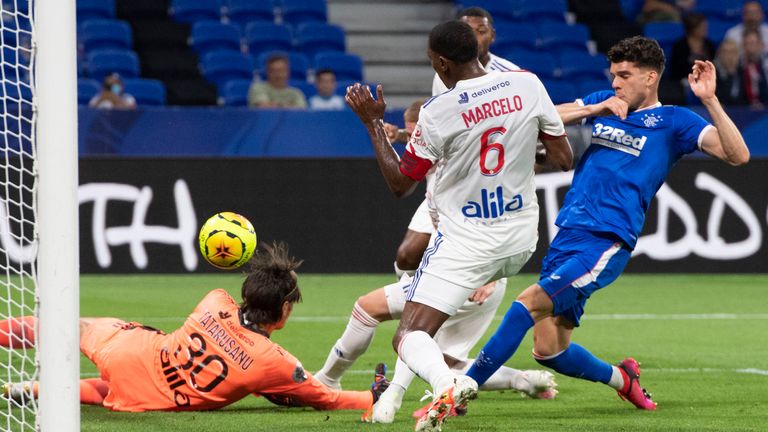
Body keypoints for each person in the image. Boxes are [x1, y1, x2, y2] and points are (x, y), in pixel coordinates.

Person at [464, 36, 749, 417]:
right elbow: (542, 114)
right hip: (569, 231)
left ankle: (459, 391)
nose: (615, 82)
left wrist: (710, 100)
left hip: (607, 240)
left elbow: (738, 155)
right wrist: (596, 106)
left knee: (525, 305)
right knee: (549, 350)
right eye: (613, 74)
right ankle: (623, 379)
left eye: (624, 75)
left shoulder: (675, 121)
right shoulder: (604, 101)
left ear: (650, 78)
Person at [345, 19, 573, 432]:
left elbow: (400, 184)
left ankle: (447, 383)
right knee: (424, 312)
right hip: (522, 236)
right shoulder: (528, 84)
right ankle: (400, 395)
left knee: (408, 335)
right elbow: (563, 158)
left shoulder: (439, 111)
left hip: (468, 241)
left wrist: (373, 124)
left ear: (442, 63)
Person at [0, 242, 389, 413]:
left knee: (66, 326)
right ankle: (33, 390)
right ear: (284, 310)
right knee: (116, 391)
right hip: (149, 400)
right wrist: (373, 397)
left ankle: (30, 381)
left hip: (130, 352)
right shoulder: (276, 363)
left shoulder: (215, 300)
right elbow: (326, 398)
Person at [668, 13, 716, 88]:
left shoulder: (709, 45)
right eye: (702, 27)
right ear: (692, 29)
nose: (705, 29)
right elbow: (676, 70)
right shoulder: (680, 46)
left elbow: (713, 64)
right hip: (683, 83)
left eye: (705, 26)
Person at [740, 28, 768, 108]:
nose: (750, 48)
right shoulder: (737, 66)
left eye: (753, 43)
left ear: (761, 45)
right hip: (742, 110)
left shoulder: (765, 66)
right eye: (747, 44)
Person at [713, 39, 747, 105]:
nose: (729, 56)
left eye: (733, 52)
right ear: (719, 54)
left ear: (738, 54)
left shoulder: (743, 72)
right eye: (725, 52)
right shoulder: (713, 73)